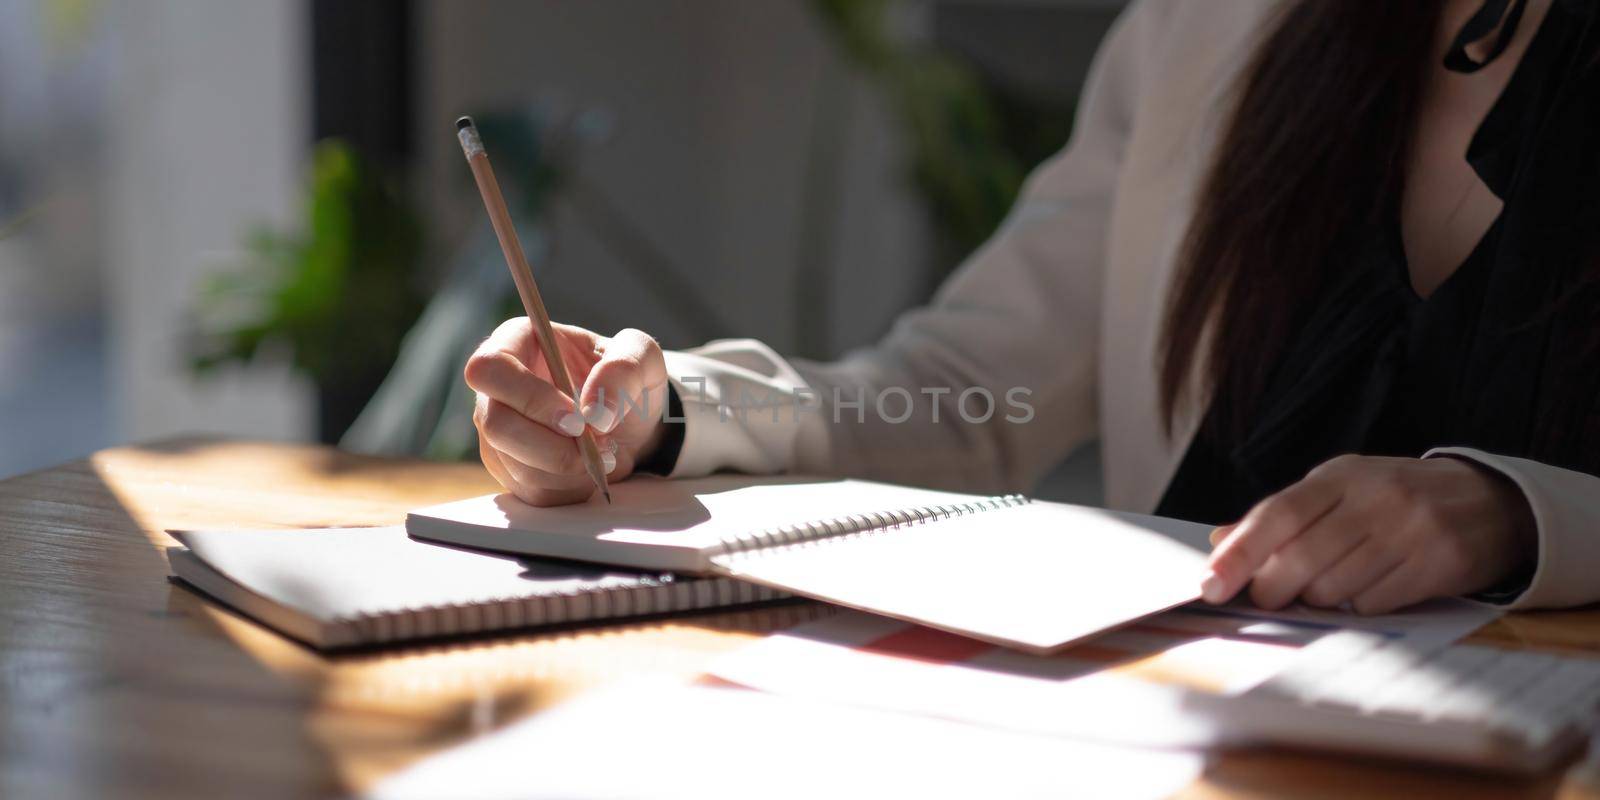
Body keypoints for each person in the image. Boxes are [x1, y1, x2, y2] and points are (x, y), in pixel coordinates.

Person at [462, 0, 1600, 614]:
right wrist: (666, 411)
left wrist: (1516, 516)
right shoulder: (1212, 31)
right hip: (1200, 736)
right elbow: (969, 393)